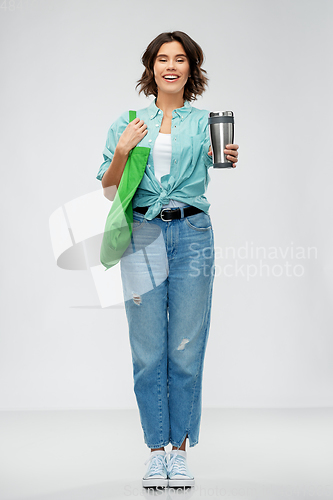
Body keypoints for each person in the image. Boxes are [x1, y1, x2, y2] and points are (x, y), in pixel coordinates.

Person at [96, 31, 239, 489]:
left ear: (191, 69)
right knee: (148, 349)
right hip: (142, 234)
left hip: (194, 233)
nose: (171, 66)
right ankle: (155, 452)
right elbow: (109, 187)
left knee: (185, 348)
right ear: (151, 68)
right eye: (163, 59)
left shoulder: (203, 122)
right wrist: (123, 149)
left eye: (180, 59)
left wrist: (226, 155)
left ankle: (179, 451)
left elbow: (216, 166)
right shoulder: (130, 120)